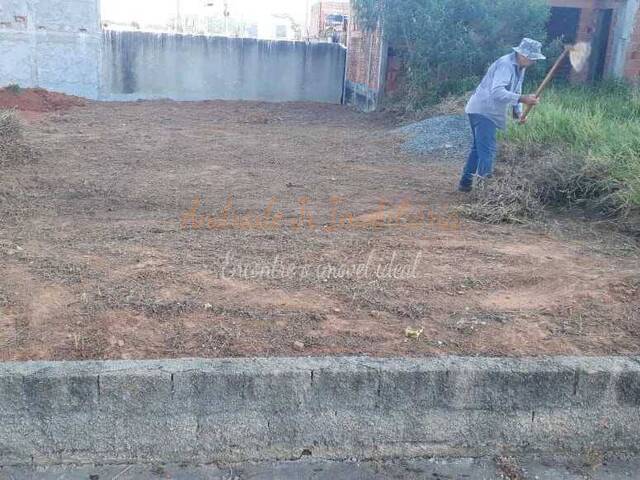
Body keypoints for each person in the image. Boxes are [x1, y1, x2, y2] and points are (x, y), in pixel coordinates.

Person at [458, 38, 545, 192]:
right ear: (523, 55)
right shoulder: (506, 65)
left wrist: (518, 113)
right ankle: (485, 192)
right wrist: (523, 99)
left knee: (478, 149)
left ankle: (466, 184)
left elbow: (515, 91)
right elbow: (497, 92)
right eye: (532, 59)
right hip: (484, 111)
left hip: (481, 109)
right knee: (488, 151)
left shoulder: (520, 67)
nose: (534, 62)